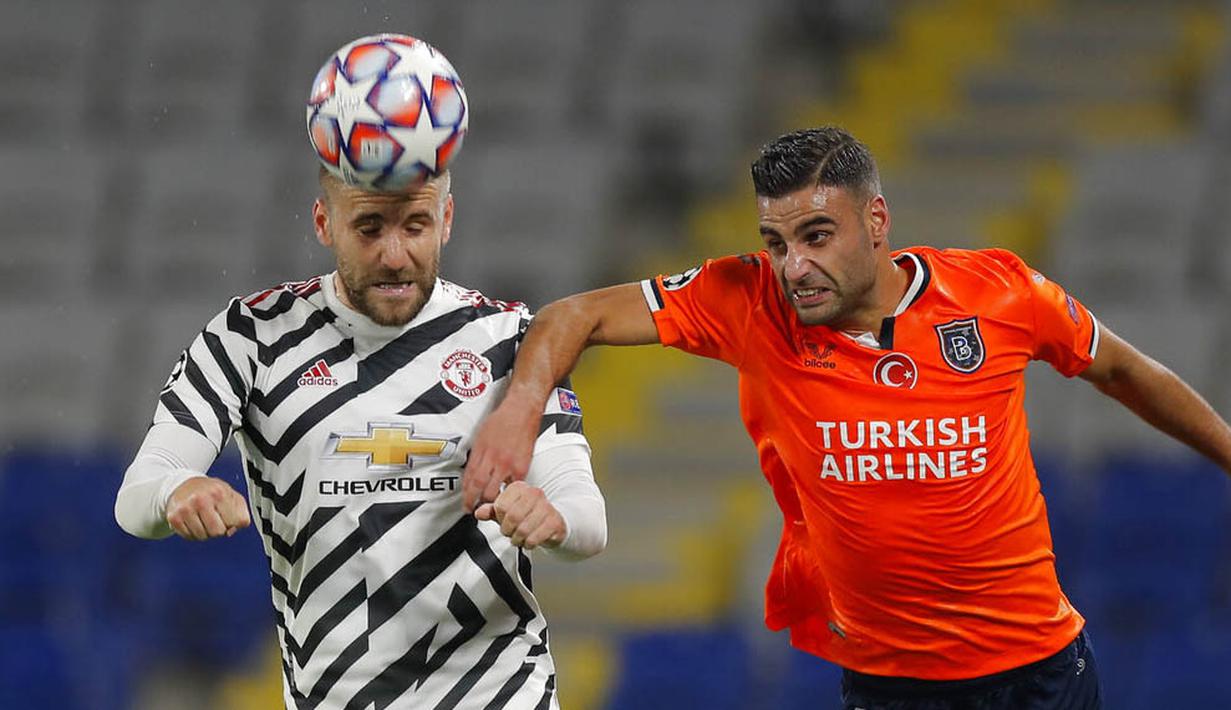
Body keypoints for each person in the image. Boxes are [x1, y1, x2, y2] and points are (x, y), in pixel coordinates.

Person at [462, 126, 1231, 709]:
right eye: (775, 242)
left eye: (816, 236)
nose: (793, 265)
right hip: (887, 686)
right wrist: (519, 412)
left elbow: (1122, 369)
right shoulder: (747, 301)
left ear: (876, 220)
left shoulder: (997, 293)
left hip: (1038, 675)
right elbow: (572, 315)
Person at [115, 162, 607, 709]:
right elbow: (138, 493)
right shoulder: (251, 337)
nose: (394, 255)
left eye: (415, 226)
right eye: (369, 228)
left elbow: (586, 516)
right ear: (324, 223)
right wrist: (176, 489)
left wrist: (554, 519)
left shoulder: (510, 339)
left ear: (446, 218)